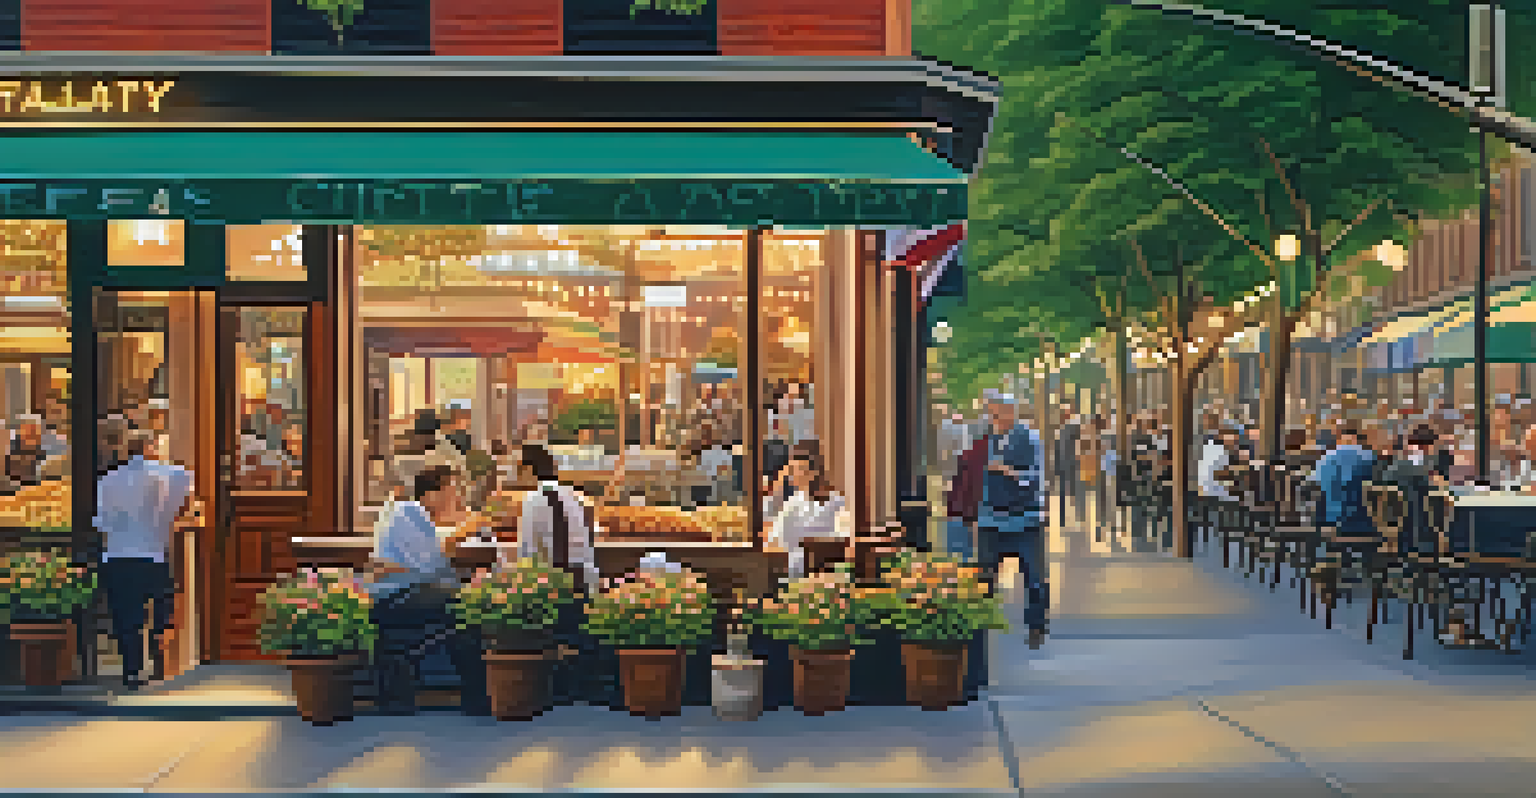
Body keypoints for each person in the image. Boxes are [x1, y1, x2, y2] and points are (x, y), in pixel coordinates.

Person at [367, 465, 487, 715]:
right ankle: (477, 695)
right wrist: (465, 529)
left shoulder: (414, 516)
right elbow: (430, 567)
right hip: (396, 597)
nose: (456, 499)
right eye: (452, 491)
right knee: (466, 607)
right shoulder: (407, 513)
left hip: (406, 592)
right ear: (431, 494)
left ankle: (476, 693)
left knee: (463, 607)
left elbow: (432, 567)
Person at [95, 429, 193, 689]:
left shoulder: (108, 480)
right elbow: (187, 485)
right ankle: (160, 663)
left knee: (127, 616)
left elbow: (102, 522)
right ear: (151, 449)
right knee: (161, 611)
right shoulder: (170, 475)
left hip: (119, 554)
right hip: (154, 553)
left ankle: (131, 671)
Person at [976, 393, 1047, 648]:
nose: (993, 419)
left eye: (997, 414)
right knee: (984, 575)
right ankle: (980, 632)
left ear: (1011, 412)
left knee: (1034, 578)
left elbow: (1035, 477)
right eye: (990, 414)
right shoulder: (985, 437)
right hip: (990, 518)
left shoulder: (1029, 438)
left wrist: (1006, 470)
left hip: (1025, 518)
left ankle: (1037, 627)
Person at [763, 442, 848, 578]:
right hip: (800, 568)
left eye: (798, 470)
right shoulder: (795, 502)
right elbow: (774, 539)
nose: (793, 477)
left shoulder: (835, 502)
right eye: (792, 472)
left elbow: (841, 541)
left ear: (813, 473)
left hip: (806, 570)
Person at [1376, 425, 1441, 554]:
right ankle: (1425, 549)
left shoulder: (1398, 462)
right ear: (1426, 445)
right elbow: (1431, 484)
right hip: (1410, 521)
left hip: (1390, 515)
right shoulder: (1415, 463)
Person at [1309, 427, 1377, 534]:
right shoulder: (1367, 457)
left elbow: (1314, 484)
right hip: (1358, 519)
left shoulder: (1325, 459)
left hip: (1328, 517)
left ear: (1339, 440)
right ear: (1356, 440)